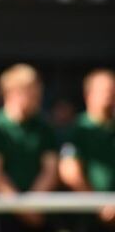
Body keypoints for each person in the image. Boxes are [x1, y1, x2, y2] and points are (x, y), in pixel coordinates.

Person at [0, 63, 59, 232]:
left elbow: (51, 170)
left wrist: (31, 204)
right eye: (32, 91)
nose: (38, 96)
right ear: (13, 92)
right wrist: (22, 207)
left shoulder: (44, 126)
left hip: (40, 216)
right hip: (6, 218)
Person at [59, 69, 115, 231]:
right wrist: (99, 205)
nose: (109, 96)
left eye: (113, 90)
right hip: (86, 219)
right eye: (105, 90)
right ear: (88, 94)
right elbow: (70, 172)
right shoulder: (77, 129)